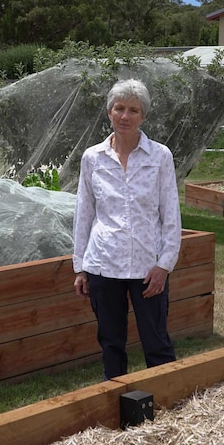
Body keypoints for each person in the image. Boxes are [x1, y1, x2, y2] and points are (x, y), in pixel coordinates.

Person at [72, 78, 182, 380]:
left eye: (133, 110)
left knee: (156, 342)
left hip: (149, 268)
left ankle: (166, 401)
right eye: (119, 108)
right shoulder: (92, 158)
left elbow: (170, 214)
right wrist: (80, 267)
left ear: (143, 117)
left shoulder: (160, 156)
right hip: (103, 265)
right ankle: (116, 407)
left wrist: (164, 266)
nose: (125, 116)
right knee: (111, 343)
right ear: (109, 113)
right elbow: (84, 213)